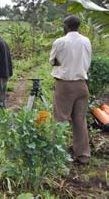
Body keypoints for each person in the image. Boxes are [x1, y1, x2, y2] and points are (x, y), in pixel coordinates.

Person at [50, 15, 91, 164]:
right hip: (82, 84)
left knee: (60, 119)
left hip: (64, 85)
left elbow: (52, 61)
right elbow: (88, 61)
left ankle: (57, 154)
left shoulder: (60, 42)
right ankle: (83, 155)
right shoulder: (86, 41)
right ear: (78, 26)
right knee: (79, 119)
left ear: (65, 26)